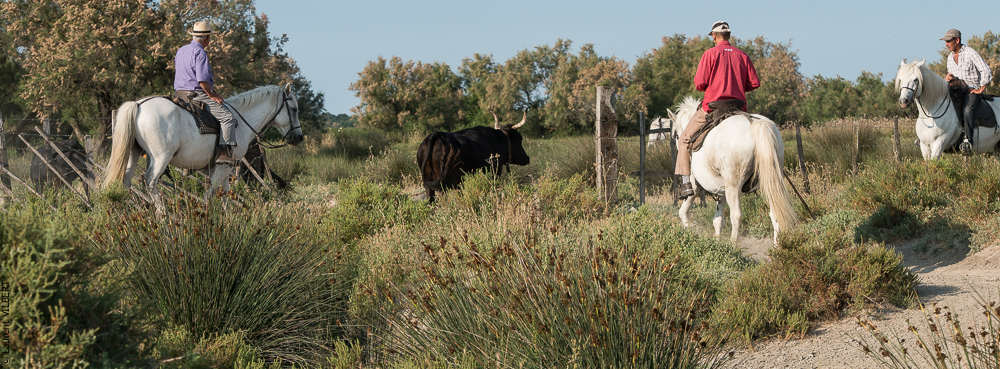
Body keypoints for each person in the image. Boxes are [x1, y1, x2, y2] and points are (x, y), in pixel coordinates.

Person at [675, 21, 760, 199]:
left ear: (714, 36)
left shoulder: (710, 54)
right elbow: (754, 83)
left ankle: (685, 184)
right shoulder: (742, 55)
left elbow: (699, 84)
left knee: (683, 140)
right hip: (738, 108)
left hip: (712, 108)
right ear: (729, 36)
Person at [174, 21, 237, 166]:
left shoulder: (181, 50)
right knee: (228, 118)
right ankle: (223, 153)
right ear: (207, 38)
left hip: (179, 94)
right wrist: (212, 95)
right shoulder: (200, 52)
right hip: (196, 95)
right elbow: (202, 81)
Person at [941, 28, 992, 152]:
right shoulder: (949, 58)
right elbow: (951, 75)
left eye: (949, 41)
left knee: (968, 110)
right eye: (945, 41)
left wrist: (981, 88)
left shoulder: (970, 53)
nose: (946, 44)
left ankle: (968, 141)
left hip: (970, 91)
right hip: (956, 92)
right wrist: (948, 78)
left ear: (957, 40)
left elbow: (986, 70)